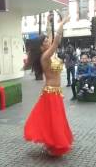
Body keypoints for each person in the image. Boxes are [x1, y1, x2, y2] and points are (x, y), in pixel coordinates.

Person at [24, 14, 73, 156]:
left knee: (55, 119)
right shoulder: (45, 56)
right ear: (41, 46)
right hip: (51, 92)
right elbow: (56, 41)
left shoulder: (49, 53)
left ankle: (52, 142)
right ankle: (54, 143)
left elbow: (52, 37)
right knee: (54, 119)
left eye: (47, 40)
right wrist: (62, 23)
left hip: (55, 91)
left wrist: (48, 23)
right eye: (45, 41)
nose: (48, 41)